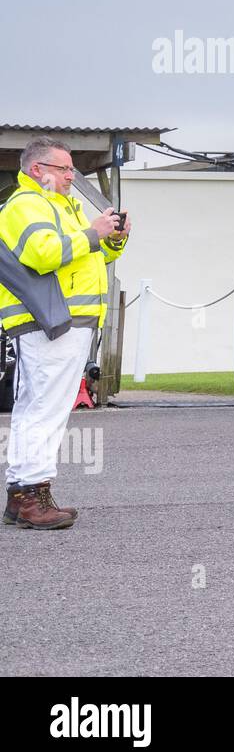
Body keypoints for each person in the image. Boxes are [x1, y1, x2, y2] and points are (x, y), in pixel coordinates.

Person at [0, 137, 130, 529]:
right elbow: (44, 254)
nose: (71, 175)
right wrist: (93, 232)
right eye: (64, 168)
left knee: (37, 408)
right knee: (45, 411)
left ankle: (21, 495)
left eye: (72, 168)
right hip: (49, 321)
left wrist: (113, 240)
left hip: (61, 320)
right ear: (37, 170)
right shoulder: (27, 205)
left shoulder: (59, 206)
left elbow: (85, 255)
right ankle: (32, 497)